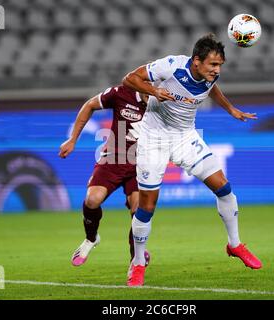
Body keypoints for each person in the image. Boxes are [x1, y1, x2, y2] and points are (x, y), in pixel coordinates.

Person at [122, 33, 262, 287]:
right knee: (147, 207)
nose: (217, 70)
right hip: (154, 139)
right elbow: (129, 79)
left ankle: (235, 245)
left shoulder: (210, 76)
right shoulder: (172, 66)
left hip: (186, 138)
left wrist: (231, 109)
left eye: (220, 65)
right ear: (196, 61)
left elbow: (212, 89)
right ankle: (138, 263)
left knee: (224, 188)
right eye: (213, 65)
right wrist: (153, 90)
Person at [59, 85, 150, 267]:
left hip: (141, 163)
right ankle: (91, 239)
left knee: (137, 210)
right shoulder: (121, 93)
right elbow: (90, 105)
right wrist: (73, 139)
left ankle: (136, 259)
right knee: (92, 200)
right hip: (113, 158)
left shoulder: (165, 104)